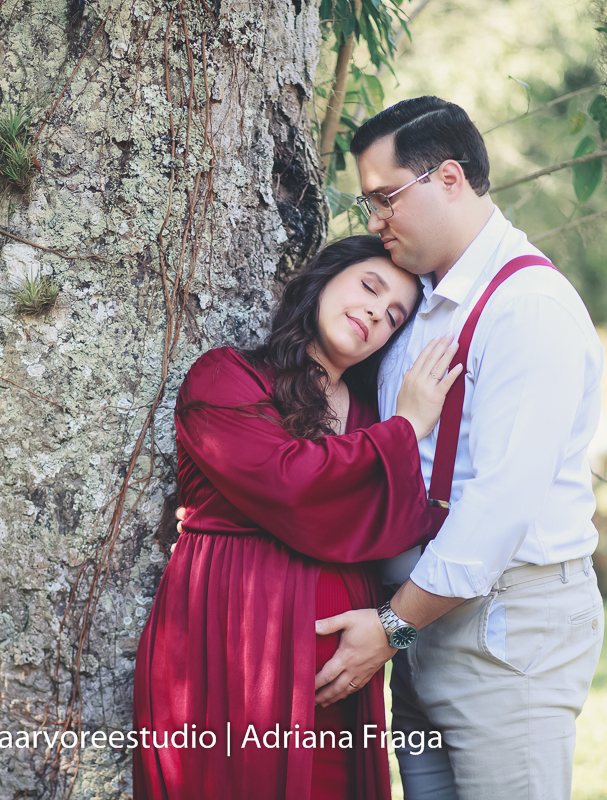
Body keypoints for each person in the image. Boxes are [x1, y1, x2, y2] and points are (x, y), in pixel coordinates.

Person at [311, 97, 605, 800]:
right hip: (421, 621)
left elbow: (499, 507)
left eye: (385, 197)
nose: (374, 219)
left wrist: (391, 627)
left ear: (448, 178)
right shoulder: (418, 301)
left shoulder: (528, 308)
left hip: (505, 626)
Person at [133, 235, 464, 800]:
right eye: (369, 287)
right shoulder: (225, 377)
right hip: (230, 651)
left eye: (393, 317)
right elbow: (294, 486)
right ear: (323, 279)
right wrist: (406, 429)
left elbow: (404, 529)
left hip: (340, 678)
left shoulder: (370, 415)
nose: (375, 314)